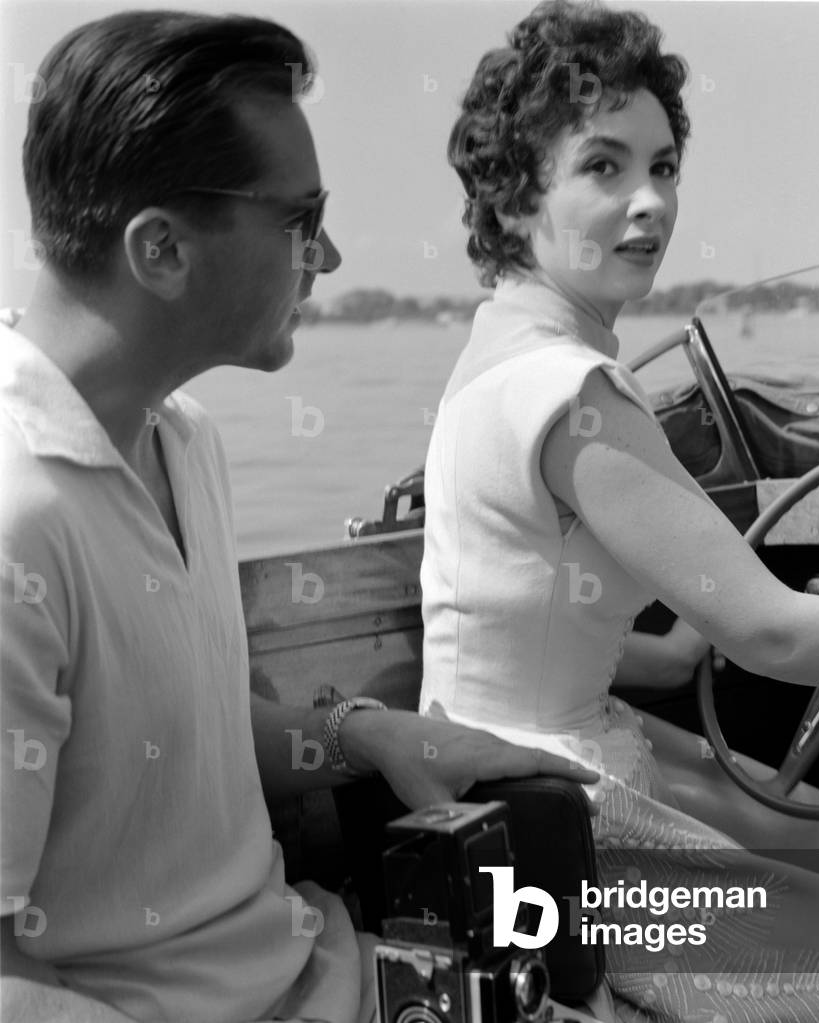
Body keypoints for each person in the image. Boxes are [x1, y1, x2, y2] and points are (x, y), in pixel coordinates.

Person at [0, 12, 603, 1023]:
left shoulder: (181, 439)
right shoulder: (20, 521)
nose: (325, 254)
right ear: (161, 249)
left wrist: (362, 738)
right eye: (300, 216)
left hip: (333, 972)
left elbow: (180, 736)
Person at [418, 1, 819, 1020]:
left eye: (663, 166)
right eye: (604, 166)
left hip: (526, 785)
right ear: (512, 199)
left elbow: (518, 612)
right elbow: (769, 631)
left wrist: (674, 662)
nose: (649, 202)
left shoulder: (498, 360)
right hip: (563, 844)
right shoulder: (571, 394)